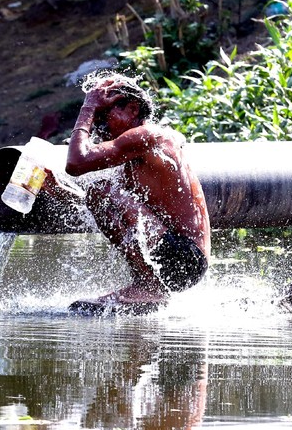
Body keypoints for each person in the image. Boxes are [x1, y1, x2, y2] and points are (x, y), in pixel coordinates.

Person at [62, 74, 210, 313]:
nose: (97, 126)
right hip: (178, 260)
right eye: (95, 117)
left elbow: (77, 163)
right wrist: (54, 188)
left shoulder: (147, 136)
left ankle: (150, 288)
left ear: (132, 109)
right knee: (96, 193)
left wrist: (88, 107)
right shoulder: (134, 152)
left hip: (184, 259)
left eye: (102, 116)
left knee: (102, 192)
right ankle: (147, 285)